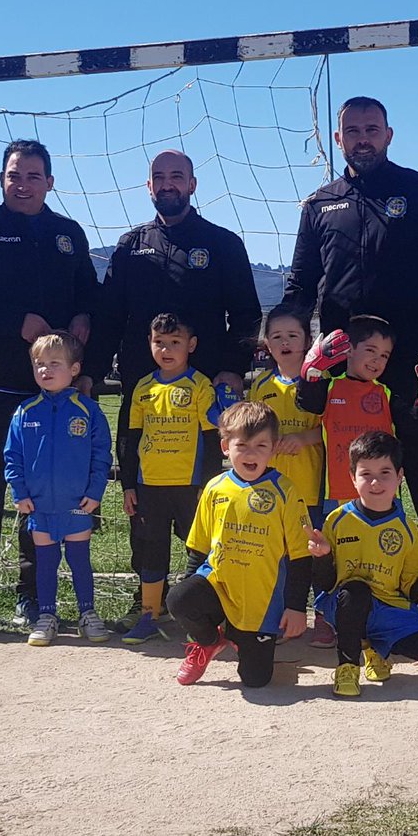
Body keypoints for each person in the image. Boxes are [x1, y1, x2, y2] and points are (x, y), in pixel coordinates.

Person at [284, 96, 418, 579]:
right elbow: (299, 285)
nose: (363, 138)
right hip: (344, 371)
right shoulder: (319, 204)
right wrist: (286, 343)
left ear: (389, 134)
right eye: (352, 131)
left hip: (416, 364)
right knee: (347, 480)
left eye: (372, 129)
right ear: (339, 139)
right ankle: (346, 594)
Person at [84, 148, 261, 628]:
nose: (168, 184)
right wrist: (90, 372)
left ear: (192, 184)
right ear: (148, 187)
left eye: (177, 176)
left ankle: (203, 596)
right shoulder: (129, 245)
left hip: (202, 406)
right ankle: (150, 600)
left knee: (204, 499)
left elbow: (246, 314)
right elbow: (107, 319)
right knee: (142, 501)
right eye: (159, 177)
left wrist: (231, 369)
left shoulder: (222, 243)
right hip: (145, 403)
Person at [0, 139, 97, 645]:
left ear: (50, 181)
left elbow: (90, 298)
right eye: (14, 175)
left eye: (32, 175)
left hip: (48, 395)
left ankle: (36, 599)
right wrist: (16, 323)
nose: (22, 183)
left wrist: (84, 319)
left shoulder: (67, 234)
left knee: (45, 500)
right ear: (3, 179)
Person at [166, 401, 312, 688]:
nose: (251, 454)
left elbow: (300, 556)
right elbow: (198, 547)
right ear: (225, 447)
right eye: (242, 445)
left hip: (261, 602)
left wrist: (296, 607)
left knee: (256, 681)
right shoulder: (215, 487)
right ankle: (209, 643)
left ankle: (240, 638)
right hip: (219, 585)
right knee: (178, 599)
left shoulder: (285, 491)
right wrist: (191, 590)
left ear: (272, 449)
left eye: (261, 446)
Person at [306, 431, 418, 698]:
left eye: (385, 473)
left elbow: (412, 591)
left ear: (399, 476)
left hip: (387, 608)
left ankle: (375, 648)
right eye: (365, 474)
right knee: (356, 591)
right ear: (352, 477)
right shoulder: (337, 521)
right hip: (344, 605)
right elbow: (325, 584)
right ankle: (348, 665)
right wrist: (322, 557)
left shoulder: (408, 531)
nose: (375, 482)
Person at [4, 332, 112, 647]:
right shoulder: (25, 411)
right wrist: (19, 492)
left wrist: (95, 491)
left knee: (79, 561)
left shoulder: (88, 410)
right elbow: (12, 456)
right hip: (39, 506)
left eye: (54, 364)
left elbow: (101, 454)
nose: (45, 371)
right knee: (46, 563)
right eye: (39, 364)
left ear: (74, 369)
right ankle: (47, 616)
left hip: (77, 504)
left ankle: (87, 613)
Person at [118, 312, 221, 643]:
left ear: (190, 345)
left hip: (192, 487)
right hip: (150, 487)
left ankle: (204, 615)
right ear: (149, 343)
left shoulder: (200, 386)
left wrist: (209, 485)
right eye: (159, 342)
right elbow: (131, 440)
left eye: (175, 342)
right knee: (152, 550)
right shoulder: (143, 388)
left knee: (202, 548)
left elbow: (211, 439)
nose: (166, 349)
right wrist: (129, 485)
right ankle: (150, 615)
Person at [248, 304, 328, 646]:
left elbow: (333, 429)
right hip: (273, 491)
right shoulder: (261, 385)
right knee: (277, 556)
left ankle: (325, 620)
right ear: (266, 343)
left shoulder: (320, 382)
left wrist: (304, 438)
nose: (285, 342)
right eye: (277, 336)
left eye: (292, 335)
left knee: (318, 555)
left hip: (311, 487)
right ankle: (277, 617)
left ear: (307, 340)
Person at [295, 314, 397, 504]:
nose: (377, 360)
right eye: (370, 350)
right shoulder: (330, 388)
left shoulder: (386, 393)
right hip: (338, 493)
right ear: (349, 350)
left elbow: (412, 423)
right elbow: (307, 402)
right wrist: (309, 372)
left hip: (383, 491)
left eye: (384, 355)